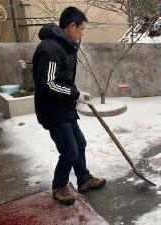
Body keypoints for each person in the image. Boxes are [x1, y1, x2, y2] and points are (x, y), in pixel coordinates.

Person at [32, 7, 105, 206]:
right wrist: (75, 94)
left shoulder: (64, 46)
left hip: (65, 107)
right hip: (53, 111)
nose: (82, 33)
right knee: (69, 151)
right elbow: (47, 84)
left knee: (79, 144)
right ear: (71, 26)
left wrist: (77, 94)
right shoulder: (50, 49)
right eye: (81, 29)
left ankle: (84, 180)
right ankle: (59, 186)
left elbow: (61, 79)